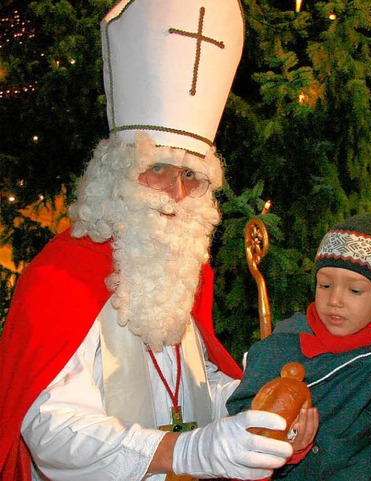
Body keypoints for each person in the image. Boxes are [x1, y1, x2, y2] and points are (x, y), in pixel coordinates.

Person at [0, 1, 311, 480]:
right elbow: (51, 429)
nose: (177, 192)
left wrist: (257, 409)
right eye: (157, 169)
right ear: (115, 175)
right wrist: (180, 452)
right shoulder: (59, 277)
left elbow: (194, 387)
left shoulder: (182, 274)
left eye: (191, 175)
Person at [227, 214, 371, 481]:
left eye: (354, 291)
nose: (335, 300)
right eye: (325, 285)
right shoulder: (282, 346)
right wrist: (283, 445)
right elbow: (241, 420)